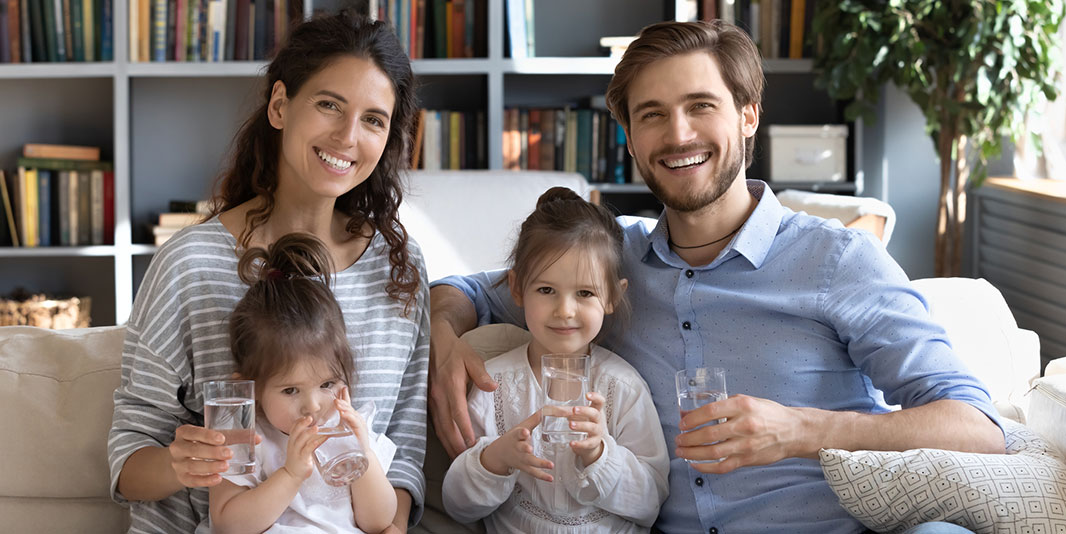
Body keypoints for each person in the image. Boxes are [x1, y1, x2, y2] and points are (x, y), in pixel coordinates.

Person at [428, 19, 1005, 534]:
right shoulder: (605, 265)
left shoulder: (838, 260)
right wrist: (444, 339)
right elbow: (469, 291)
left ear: (748, 114)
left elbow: (977, 428)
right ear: (630, 137)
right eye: (651, 115)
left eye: (701, 105)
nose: (678, 135)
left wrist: (801, 429)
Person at [108, 10, 429, 533]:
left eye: (374, 119)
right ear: (280, 105)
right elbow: (127, 461)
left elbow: (407, 455)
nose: (349, 136)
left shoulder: (400, 270)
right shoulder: (190, 264)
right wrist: (177, 463)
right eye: (329, 105)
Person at [440, 187, 670, 533]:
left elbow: (650, 503)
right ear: (517, 288)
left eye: (585, 293)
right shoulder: (494, 385)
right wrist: (495, 459)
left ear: (612, 296)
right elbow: (458, 506)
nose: (565, 310)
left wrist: (600, 457)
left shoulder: (623, 387)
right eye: (546, 290)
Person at [210, 232, 397, 533]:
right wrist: (290, 474)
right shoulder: (243, 433)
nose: (313, 405)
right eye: (290, 390)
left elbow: (378, 521)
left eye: (327, 384)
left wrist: (364, 455)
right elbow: (228, 525)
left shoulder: (348, 427)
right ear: (250, 389)